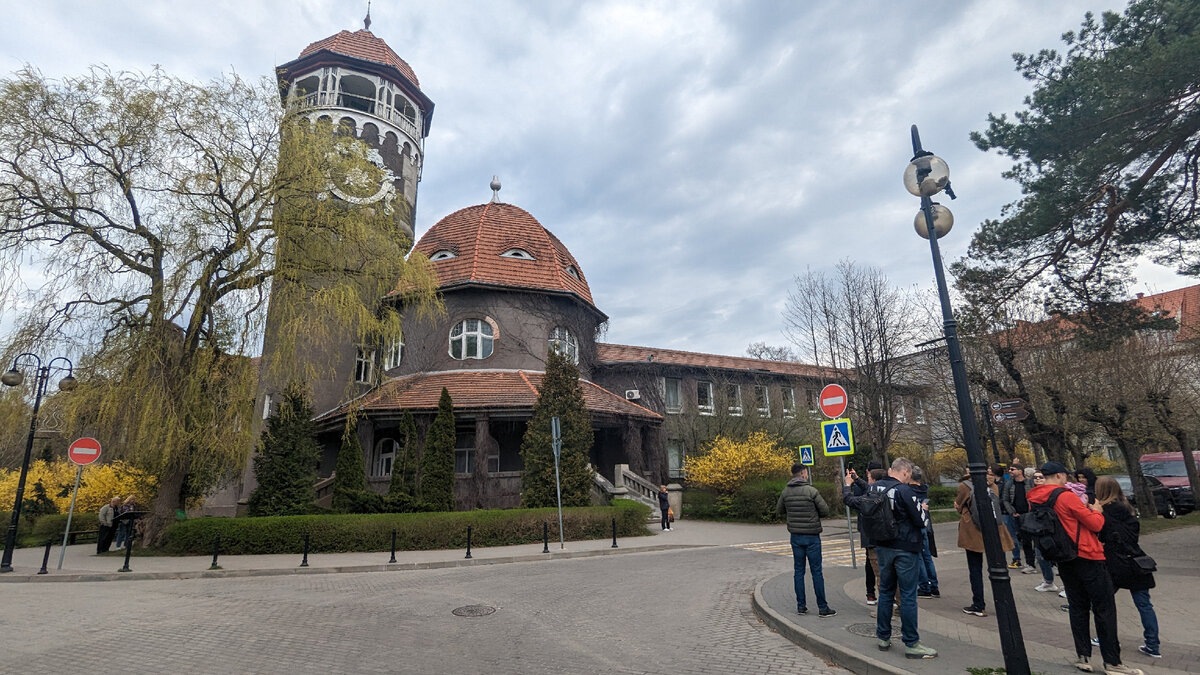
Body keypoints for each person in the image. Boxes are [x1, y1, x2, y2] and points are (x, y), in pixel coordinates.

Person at [1028, 461, 1142, 674]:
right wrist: (1097, 510)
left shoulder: (1035, 497)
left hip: (1062, 556)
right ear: (1061, 475)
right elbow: (1095, 524)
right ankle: (1113, 662)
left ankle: (1083, 656)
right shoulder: (1065, 496)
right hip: (1087, 554)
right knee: (1104, 607)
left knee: (1078, 606)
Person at [870, 457, 936, 659]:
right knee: (907, 595)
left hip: (882, 546)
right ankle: (911, 643)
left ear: (891, 470)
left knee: (886, 592)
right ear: (906, 472)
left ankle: (883, 637)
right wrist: (923, 512)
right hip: (905, 547)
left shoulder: (874, 489)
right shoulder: (905, 490)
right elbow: (920, 520)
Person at [1096, 476, 1161, 659]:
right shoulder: (1128, 508)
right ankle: (1153, 644)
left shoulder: (1104, 511)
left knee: (1104, 602)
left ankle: (1105, 638)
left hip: (1115, 562)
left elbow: (1102, 534)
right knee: (1144, 604)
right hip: (1135, 560)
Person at [955, 465, 1015, 618]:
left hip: (973, 530)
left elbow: (960, 505)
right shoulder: (993, 484)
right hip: (995, 530)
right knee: (998, 568)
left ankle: (978, 604)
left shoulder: (964, 485)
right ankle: (1004, 602)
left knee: (975, 569)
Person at [777, 463, 835, 617]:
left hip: (795, 536)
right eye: (806, 473)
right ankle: (823, 608)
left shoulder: (785, 492)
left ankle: (801, 606)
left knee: (798, 571)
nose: (807, 476)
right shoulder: (811, 491)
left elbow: (779, 510)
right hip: (812, 536)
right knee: (816, 571)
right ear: (803, 474)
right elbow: (825, 511)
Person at [847, 461, 883, 605]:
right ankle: (875, 594)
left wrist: (851, 482)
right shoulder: (885, 486)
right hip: (881, 529)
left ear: (868, 471)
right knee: (877, 560)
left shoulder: (868, 487)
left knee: (871, 560)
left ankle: (871, 593)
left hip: (868, 528)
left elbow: (855, 501)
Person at [909, 465, 939, 599]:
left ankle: (924, 587)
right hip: (926, 525)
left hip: (916, 525)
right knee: (927, 557)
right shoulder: (924, 488)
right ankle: (934, 585)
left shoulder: (909, 490)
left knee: (919, 557)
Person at [1029, 470, 1061, 592]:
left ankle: (1068, 586)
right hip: (1038, 528)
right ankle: (1048, 581)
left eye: (1040, 477)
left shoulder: (1053, 493)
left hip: (1050, 527)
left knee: (1057, 555)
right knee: (1040, 555)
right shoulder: (1032, 493)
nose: (1037, 479)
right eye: (1035, 477)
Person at [999, 463, 1025, 569]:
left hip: (1027, 514)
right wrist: (1012, 511)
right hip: (1013, 514)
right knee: (1014, 536)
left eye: (1012, 469)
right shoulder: (1009, 483)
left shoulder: (1028, 483)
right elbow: (1005, 499)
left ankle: (1032, 561)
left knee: (1028, 538)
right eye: (1009, 469)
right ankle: (1018, 559)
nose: (1010, 471)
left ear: (1020, 471)